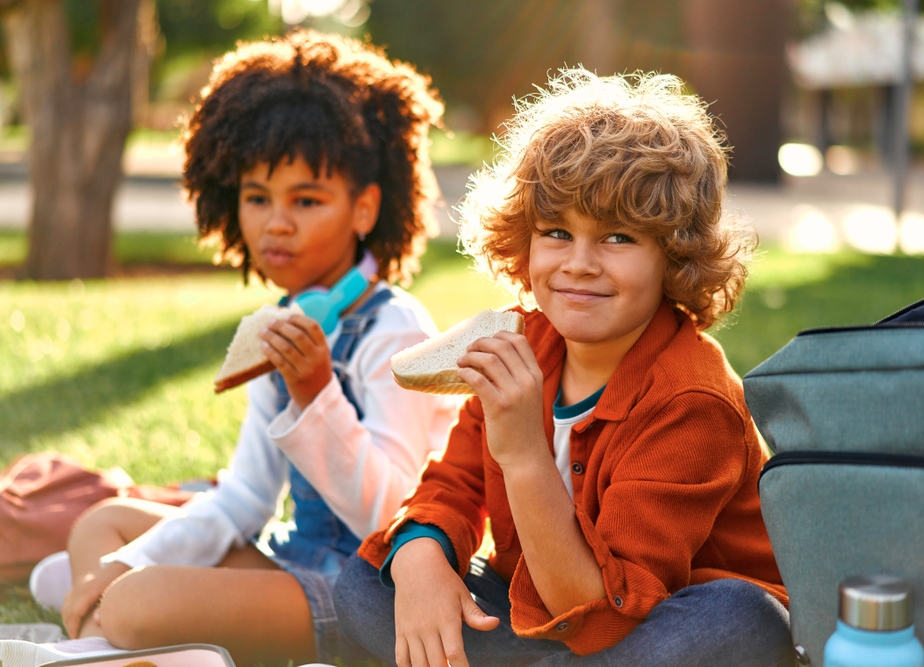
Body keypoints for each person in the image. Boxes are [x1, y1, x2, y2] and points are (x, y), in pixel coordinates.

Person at [333, 68, 794, 667]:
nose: (578, 264)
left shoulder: (691, 400)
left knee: (744, 619)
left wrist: (525, 453)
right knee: (369, 584)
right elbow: (454, 485)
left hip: (653, 624)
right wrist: (422, 555)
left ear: (675, 256)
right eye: (555, 232)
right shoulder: (519, 343)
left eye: (618, 238)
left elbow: (603, 616)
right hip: (541, 615)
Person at [32, 31, 456, 667]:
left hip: (368, 590)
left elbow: (390, 514)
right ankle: (122, 630)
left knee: (129, 602)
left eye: (306, 200)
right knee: (102, 531)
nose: (275, 223)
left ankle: (116, 632)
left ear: (365, 207)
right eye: (257, 198)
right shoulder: (279, 322)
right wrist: (128, 561)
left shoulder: (394, 329)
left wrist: (316, 390)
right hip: (291, 561)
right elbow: (243, 499)